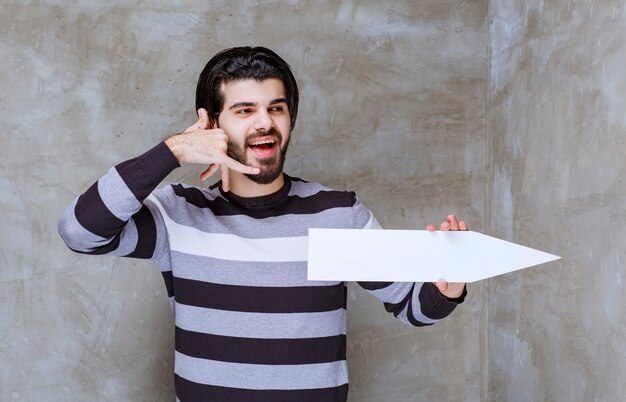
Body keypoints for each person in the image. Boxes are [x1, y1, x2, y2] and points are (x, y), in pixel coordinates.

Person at [58, 46, 468, 402]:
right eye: (244, 110)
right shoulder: (178, 213)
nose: (264, 123)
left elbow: (414, 307)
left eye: (276, 108)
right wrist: (173, 150)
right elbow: (79, 232)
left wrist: (448, 286)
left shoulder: (338, 214)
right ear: (212, 125)